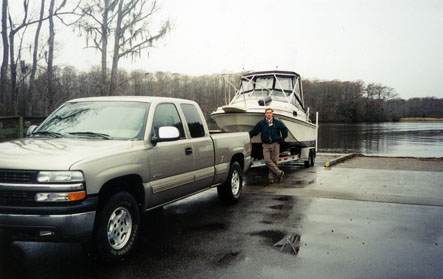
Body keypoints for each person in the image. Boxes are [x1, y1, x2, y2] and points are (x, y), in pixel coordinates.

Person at [249, 108, 288, 184]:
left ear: (272, 114)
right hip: (266, 144)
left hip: (275, 144)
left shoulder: (277, 122)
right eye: (267, 113)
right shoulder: (261, 123)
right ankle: (279, 173)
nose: (269, 114)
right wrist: (249, 136)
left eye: (270, 113)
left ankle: (271, 179)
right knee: (267, 160)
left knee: (274, 161)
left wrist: (283, 137)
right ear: (265, 114)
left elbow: (284, 129)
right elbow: (255, 130)